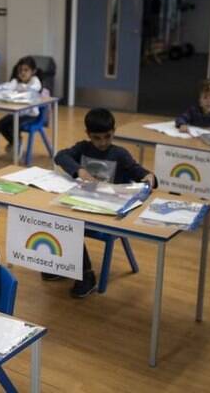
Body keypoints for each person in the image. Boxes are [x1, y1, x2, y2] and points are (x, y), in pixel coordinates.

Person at [53, 108, 156, 298]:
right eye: (96, 138)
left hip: (109, 212)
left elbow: (138, 171)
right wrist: (79, 171)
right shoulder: (83, 148)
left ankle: (86, 275)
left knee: (71, 225)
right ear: (88, 135)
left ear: (114, 131)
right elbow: (60, 156)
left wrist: (149, 176)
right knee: (57, 218)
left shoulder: (119, 154)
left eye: (107, 137)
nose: (102, 143)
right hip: (83, 204)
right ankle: (62, 266)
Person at [0, 56, 43, 154]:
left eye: (26, 70)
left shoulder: (35, 81)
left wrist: (19, 87)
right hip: (17, 112)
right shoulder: (16, 81)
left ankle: (17, 144)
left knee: (13, 125)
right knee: (0, 124)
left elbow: (32, 89)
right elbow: (7, 87)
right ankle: (15, 142)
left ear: (33, 71)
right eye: (20, 70)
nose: (22, 73)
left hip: (31, 115)